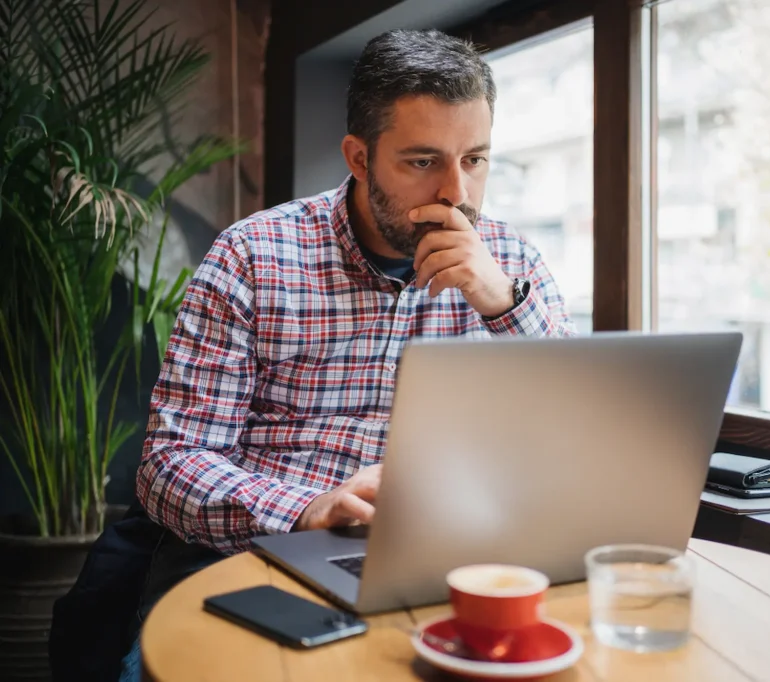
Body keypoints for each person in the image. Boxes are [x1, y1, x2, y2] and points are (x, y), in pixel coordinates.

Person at [111, 28, 575, 682]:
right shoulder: (252, 257)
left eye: (475, 159)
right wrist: (303, 510)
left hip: (452, 558)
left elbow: (574, 438)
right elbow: (169, 467)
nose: (456, 194)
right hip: (263, 552)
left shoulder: (514, 265)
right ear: (359, 158)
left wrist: (502, 303)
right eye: (422, 161)